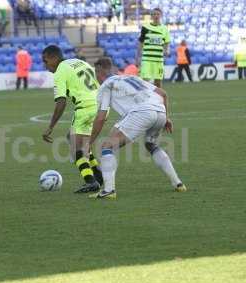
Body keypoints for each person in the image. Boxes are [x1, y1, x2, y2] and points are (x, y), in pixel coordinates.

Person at [89, 57, 186, 199]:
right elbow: (163, 94)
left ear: (98, 72)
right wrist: (167, 118)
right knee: (150, 144)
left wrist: (89, 142)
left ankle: (108, 191)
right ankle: (178, 183)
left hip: (142, 112)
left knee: (107, 146)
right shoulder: (129, 77)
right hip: (159, 111)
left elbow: (101, 118)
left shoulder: (106, 85)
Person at [42, 45, 103, 193]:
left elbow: (61, 102)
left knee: (76, 149)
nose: (45, 66)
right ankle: (99, 177)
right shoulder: (78, 62)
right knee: (76, 140)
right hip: (101, 104)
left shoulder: (60, 71)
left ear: (53, 58)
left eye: (45, 61)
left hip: (85, 108)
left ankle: (90, 181)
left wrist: (50, 127)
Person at [136, 8, 170, 88]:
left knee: (158, 82)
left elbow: (167, 42)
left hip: (158, 60)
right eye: (154, 14)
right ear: (151, 16)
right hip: (147, 59)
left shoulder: (165, 29)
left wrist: (166, 50)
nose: (156, 16)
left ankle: (158, 99)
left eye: (158, 14)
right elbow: (141, 42)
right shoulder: (145, 28)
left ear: (161, 15)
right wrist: (138, 56)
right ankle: (145, 99)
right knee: (145, 81)